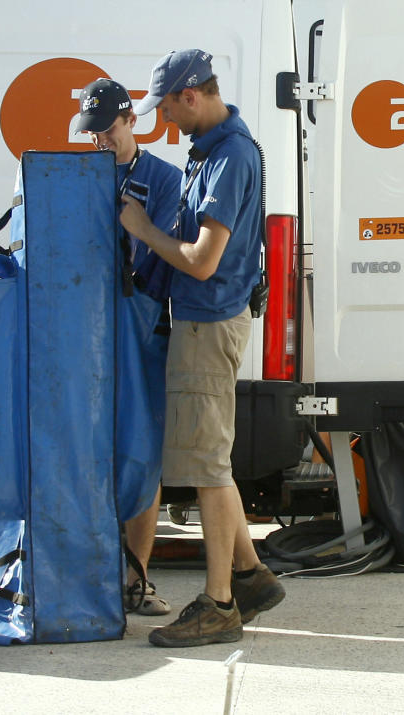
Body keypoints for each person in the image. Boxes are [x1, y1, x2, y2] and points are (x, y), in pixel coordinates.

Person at [119, 49, 286, 647]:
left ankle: (218, 605)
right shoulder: (213, 152)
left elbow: (201, 259)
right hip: (208, 320)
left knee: (208, 469)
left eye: (166, 109)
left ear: (191, 96)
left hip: (207, 322)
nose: (163, 122)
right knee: (210, 456)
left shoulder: (230, 157)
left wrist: (142, 231)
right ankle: (249, 575)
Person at [76, 77, 182, 616]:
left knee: (140, 455)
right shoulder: (75, 176)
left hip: (140, 328)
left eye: (109, 129)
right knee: (82, 450)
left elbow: (164, 254)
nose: (101, 141)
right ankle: (88, 577)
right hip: (78, 331)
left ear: (132, 121)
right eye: (92, 133)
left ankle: (137, 581)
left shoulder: (164, 178)